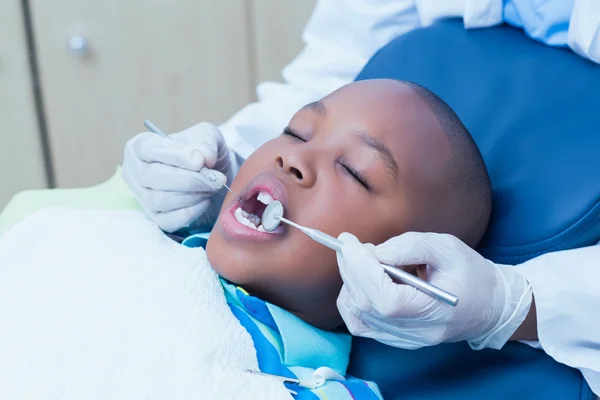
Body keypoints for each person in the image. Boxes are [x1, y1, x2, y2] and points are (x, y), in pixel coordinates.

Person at [122, 1, 600, 395]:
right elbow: (330, 71)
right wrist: (212, 164)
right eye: (295, 131)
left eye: (354, 171)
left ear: (410, 270)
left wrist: (511, 305)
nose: (291, 158)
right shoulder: (137, 250)